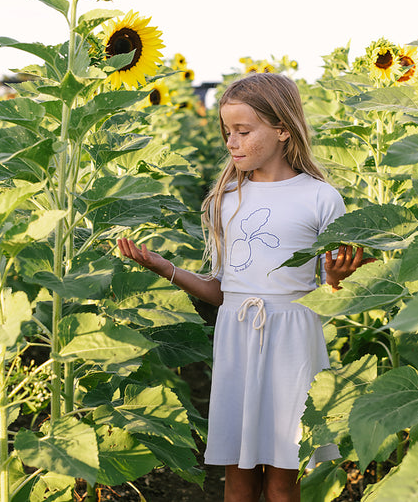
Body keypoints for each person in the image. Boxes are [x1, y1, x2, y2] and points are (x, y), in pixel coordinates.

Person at [117, 73, 370, 502]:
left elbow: (332, 287)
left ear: (282, 129)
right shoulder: (225, 199)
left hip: (293, 337)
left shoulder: (320, 197)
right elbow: (221, 291)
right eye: (227, 132)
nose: (232, 143)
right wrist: (165, 268)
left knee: (283, 473)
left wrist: (336, 280)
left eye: (243, 131)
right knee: (237, 472)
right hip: (237, 336)